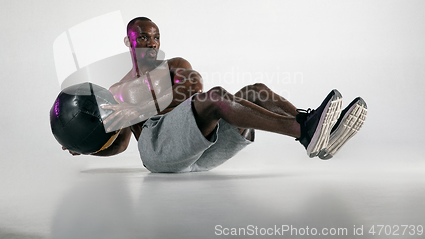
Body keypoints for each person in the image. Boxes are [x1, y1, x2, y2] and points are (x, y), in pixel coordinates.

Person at [62, 17, 367, 172]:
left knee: (256, 92)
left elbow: (191, 95)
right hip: (159, 153)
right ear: (128, 41)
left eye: (155, 36)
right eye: (142, 36)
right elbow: (121, 144)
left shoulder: (175, 67)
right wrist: (88, 148)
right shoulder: (117, 91)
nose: (151, 42)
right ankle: (306, 131)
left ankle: (310, 127)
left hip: (202, 149)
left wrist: (139, 109)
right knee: (218, 97)